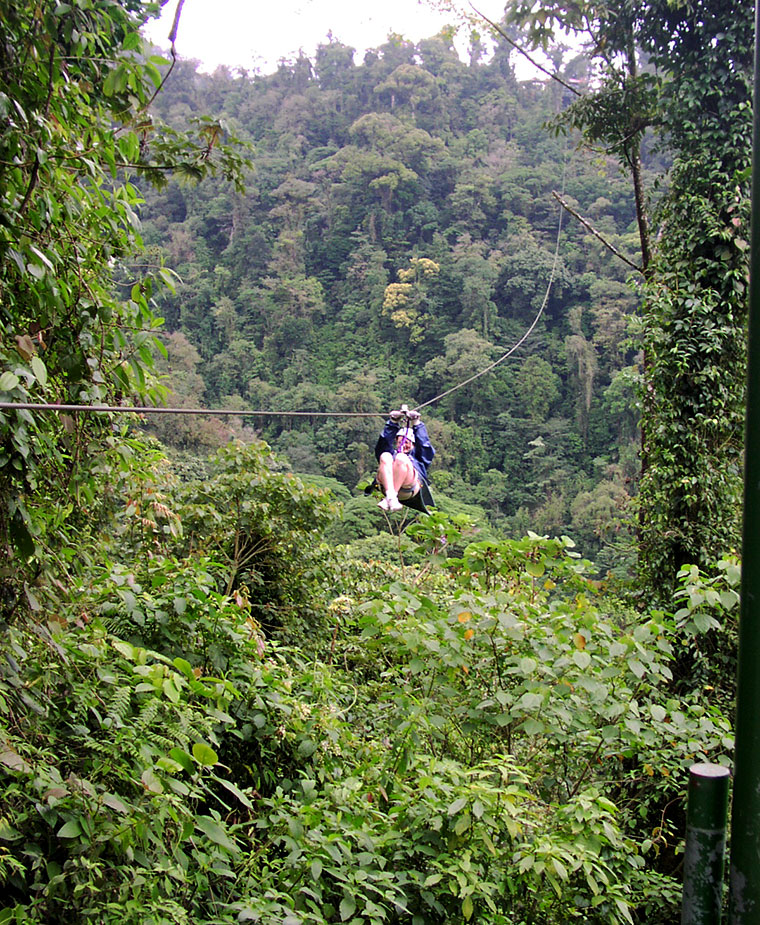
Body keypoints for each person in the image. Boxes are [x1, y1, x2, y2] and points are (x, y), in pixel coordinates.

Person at [374, 406, 435, 512]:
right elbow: (383, 444)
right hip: (387, 487)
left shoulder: (418, 458)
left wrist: (416, 423)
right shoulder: (393, 454)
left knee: (401, 457)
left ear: (413, 444)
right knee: (385, 455)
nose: (403, 445)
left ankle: (391, 497)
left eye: (407, 442)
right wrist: (393, 422)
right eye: (400, 442)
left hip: (409, 487)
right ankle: (391, 496)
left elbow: (425, 446)